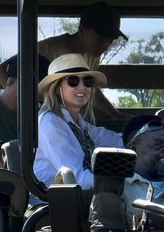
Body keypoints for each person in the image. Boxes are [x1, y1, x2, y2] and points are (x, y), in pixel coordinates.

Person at [0, 1, 125, 123]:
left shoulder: (93, 55)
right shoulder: (48, 48)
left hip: (69, 120)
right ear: (82, 30)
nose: (106, 46)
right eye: (99, 39)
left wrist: (114, 114)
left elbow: (89, 88)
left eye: (111, 41)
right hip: (41, 120)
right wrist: (28, 106)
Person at [33, 54, 125, 190]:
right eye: (73, 81)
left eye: (87, 81)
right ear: (57, 88)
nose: (82, 87)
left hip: (79, 199)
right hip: (53, 204)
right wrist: (123, 179)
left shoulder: (80, 125)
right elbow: (76, 178)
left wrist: (144, 139)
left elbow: (113, 140)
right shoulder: (50, 123)